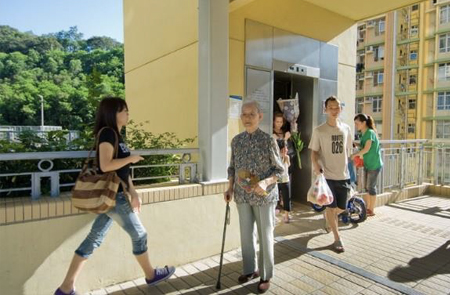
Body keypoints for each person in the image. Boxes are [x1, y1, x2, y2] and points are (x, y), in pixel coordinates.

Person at [55, 97, 175, 295]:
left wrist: (134, 192)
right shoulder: (108, 134)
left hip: (115, 195)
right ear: (113, 113)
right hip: (113, 197)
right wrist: (131, 158)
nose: (128, 114)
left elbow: (122, 172)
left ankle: (66, 288)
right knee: (139, 234)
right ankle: (151, 275)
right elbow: (105, 165)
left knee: (93, 239)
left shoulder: (118, 136)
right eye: (124, 110)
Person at [224, 101, 284, 294]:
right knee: (246, 234)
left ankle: (266, 274)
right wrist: (230, 188)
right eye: (244, 114)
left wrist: (265, 183)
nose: (247, 118)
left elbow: (280, 172)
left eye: (251, 114)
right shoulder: (236, 141)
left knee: (265, 236)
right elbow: (232, 167)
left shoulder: (268, 141)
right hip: (242, 196)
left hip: (264, 197)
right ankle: (250, 269)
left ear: (260, 116)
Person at [309, 96, 353, 253]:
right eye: (331, 107)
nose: (334, 110)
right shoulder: (319, 130)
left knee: (341, 207)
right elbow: (313, 152)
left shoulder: (346, 129)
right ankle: (337, 238)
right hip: (327, 177)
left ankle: (329, 218)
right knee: (331, 208)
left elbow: (348, 152)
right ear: (325, 109)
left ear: (341, 109)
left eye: (337, 107)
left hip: (343, 175)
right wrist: (316, 165)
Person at [351, 113, 383, 217]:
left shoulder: (369, 132)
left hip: (374, 164)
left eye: (357, 123)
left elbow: (366, 149)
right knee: (367, 187)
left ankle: (371, 210)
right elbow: (364, 145)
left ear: (364, 123)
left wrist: (354, 155)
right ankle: (368, 208)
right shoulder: (364, 134)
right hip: (368, 163)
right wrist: (355, 144)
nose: (356, 126)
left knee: (371, 187)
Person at [272, 112, 292, 223]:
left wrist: (287, 155)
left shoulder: (284, 133)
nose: (279, 124)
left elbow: (286, 148)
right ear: (273, 121)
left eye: (281, 122)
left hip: (284, 164)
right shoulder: (273, 134)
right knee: (276, 191)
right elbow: (275, 149)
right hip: (276, 164)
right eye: (277, 121)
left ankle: (287, 214)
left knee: (286, 189)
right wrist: (285, 139)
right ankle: (274, 213)